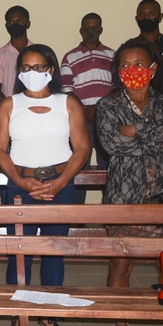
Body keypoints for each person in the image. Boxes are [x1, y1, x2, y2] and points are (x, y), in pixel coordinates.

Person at [96, 38, 163, 326]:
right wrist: (160, 134)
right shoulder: (108, 105)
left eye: (138, 64)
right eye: (124, 64)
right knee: (121, 264)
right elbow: (112, 145)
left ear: (152, 68)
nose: (131, 70)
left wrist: (134, 130)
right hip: (125, 198)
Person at [0, 44, 89, 326]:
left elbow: (82, 148)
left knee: (53, 251)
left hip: (61, 184)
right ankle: (18, 315)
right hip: (21, 185)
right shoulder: (9, 105)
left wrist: (60, 182)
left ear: (51, 70)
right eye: (26, 68)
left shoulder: (68, 103)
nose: (32, 73)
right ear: (18, 72)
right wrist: (21, 181)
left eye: (39, 67)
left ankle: (48, 316)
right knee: (19, 253)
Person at [60, 14, 114, 205]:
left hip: (108, 118)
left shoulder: (113, 55)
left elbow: (117, 88)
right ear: (81, 30)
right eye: (87, 27)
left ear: (101, 29)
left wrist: (99, 109)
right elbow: (66, 90)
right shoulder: (69, 57)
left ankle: (111, 208)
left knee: (108, 166)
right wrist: (85, 110)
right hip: (80, 119)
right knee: (79, 165)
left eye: (95, 27)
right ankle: (77, 211)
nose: (91, 30)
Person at [0, 5, 36, 107]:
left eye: (19, 21)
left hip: (36, 110)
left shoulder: (39, 53)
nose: (15, 25)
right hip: (9, 112)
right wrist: (10, 111)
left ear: (28, 24)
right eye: (11, 22)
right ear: (6, 26)